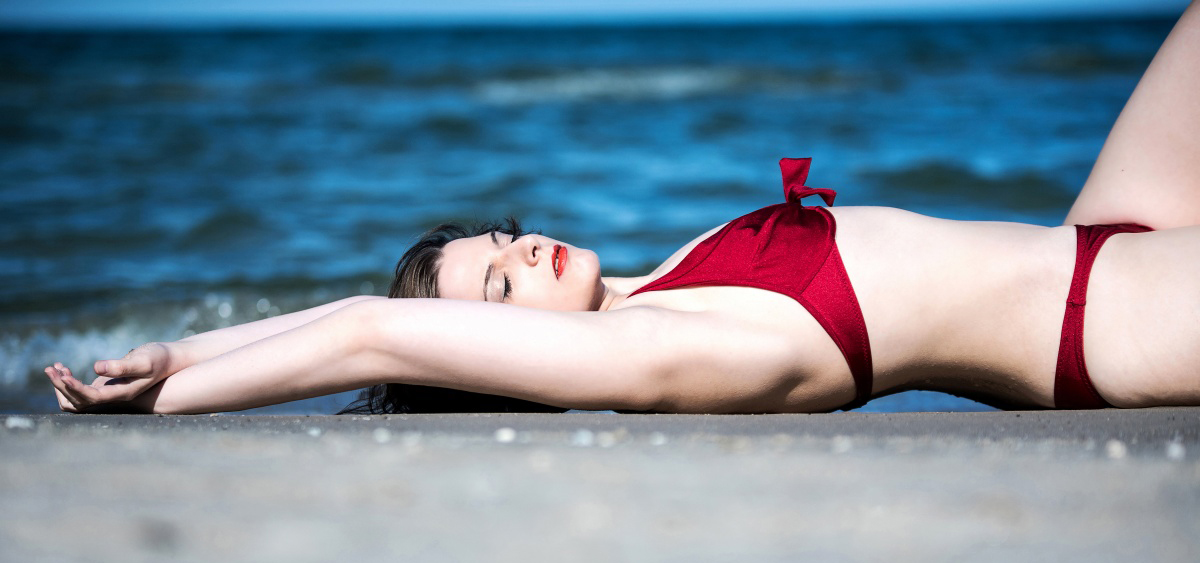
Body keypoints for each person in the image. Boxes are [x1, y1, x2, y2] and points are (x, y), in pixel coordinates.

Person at [45, 4, 1200, 415]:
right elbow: (364, 327)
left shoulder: (664, 278)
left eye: (495, 239)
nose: (518, 248)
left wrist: (177, 342)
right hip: (1114, 328)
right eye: (498, 284)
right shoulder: (660, 349)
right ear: (504, 348)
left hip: (1104, 227)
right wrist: (169, 385)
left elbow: (365, 319)